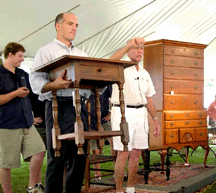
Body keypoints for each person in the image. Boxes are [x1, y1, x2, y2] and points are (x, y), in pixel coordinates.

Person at [29, 12, 91, 193]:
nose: (74, 28)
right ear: (58, 26)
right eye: (70, 23)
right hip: (58, 108)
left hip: (79, 108)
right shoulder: (46, 51)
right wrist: (53, 84)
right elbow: (35, 82)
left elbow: (90, 83)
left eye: (76, 25)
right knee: (57, 158)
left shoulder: (81, 54)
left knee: (79, 158)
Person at [110, 37, 161, 193]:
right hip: (123, 113)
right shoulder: (119, 67)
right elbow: (109, 62)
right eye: (136, 48)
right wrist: (127, 47)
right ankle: (119, 190)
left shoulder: (145, 73)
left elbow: (149, 99)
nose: (140, 51)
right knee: (123, 153)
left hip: (141, 114)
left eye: (142, 48)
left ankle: (131, 188)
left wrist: (156, 120)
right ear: (128, 49)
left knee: (137, 153)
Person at [0, 42, 46, 193]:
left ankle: (32, 188)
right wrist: (15, 93)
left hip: (27, 123)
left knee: (39, 151)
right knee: (6, 164)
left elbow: (33, 96)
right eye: (20, 56)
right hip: (6, 125)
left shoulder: (23, 74)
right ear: (10, 55)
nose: (22, 60)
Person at [89, 85, 116, 180]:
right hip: (91, 120)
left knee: (114, 142)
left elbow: (114, 97)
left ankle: (117, 172)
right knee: (94, 148)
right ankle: (97, 175)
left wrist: (110, 113)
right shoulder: (87, 83)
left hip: (104, 118)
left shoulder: (106, 84)